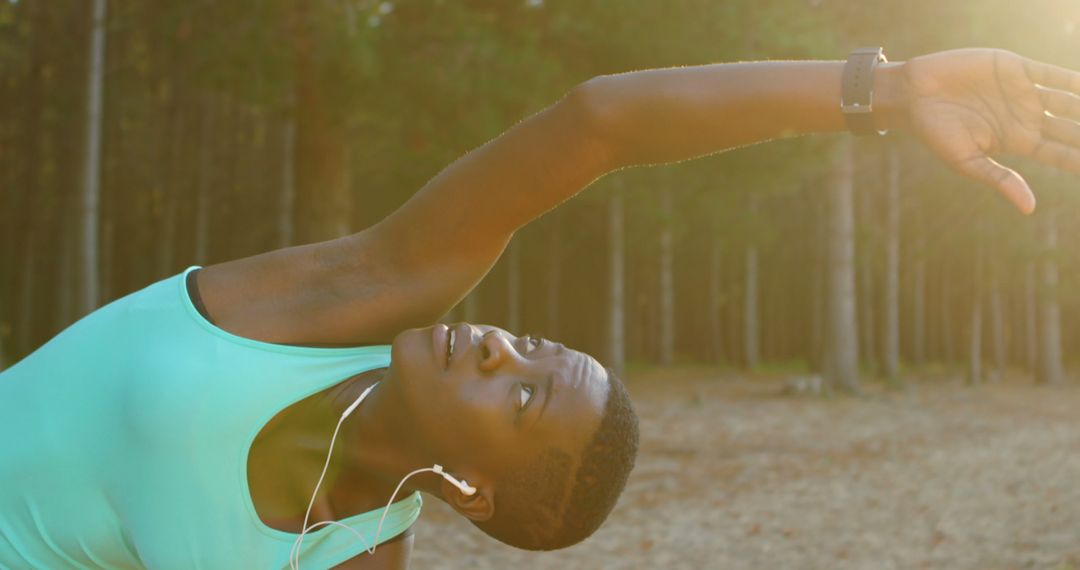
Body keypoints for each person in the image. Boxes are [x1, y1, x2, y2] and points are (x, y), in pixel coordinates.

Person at [1, 47, 1078, 569]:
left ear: (468, 491)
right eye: (536, 351)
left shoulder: (351, 556)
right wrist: (877, 92)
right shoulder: (368, 294)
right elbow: (598, 127)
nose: (497, 349)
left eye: (520, 400)